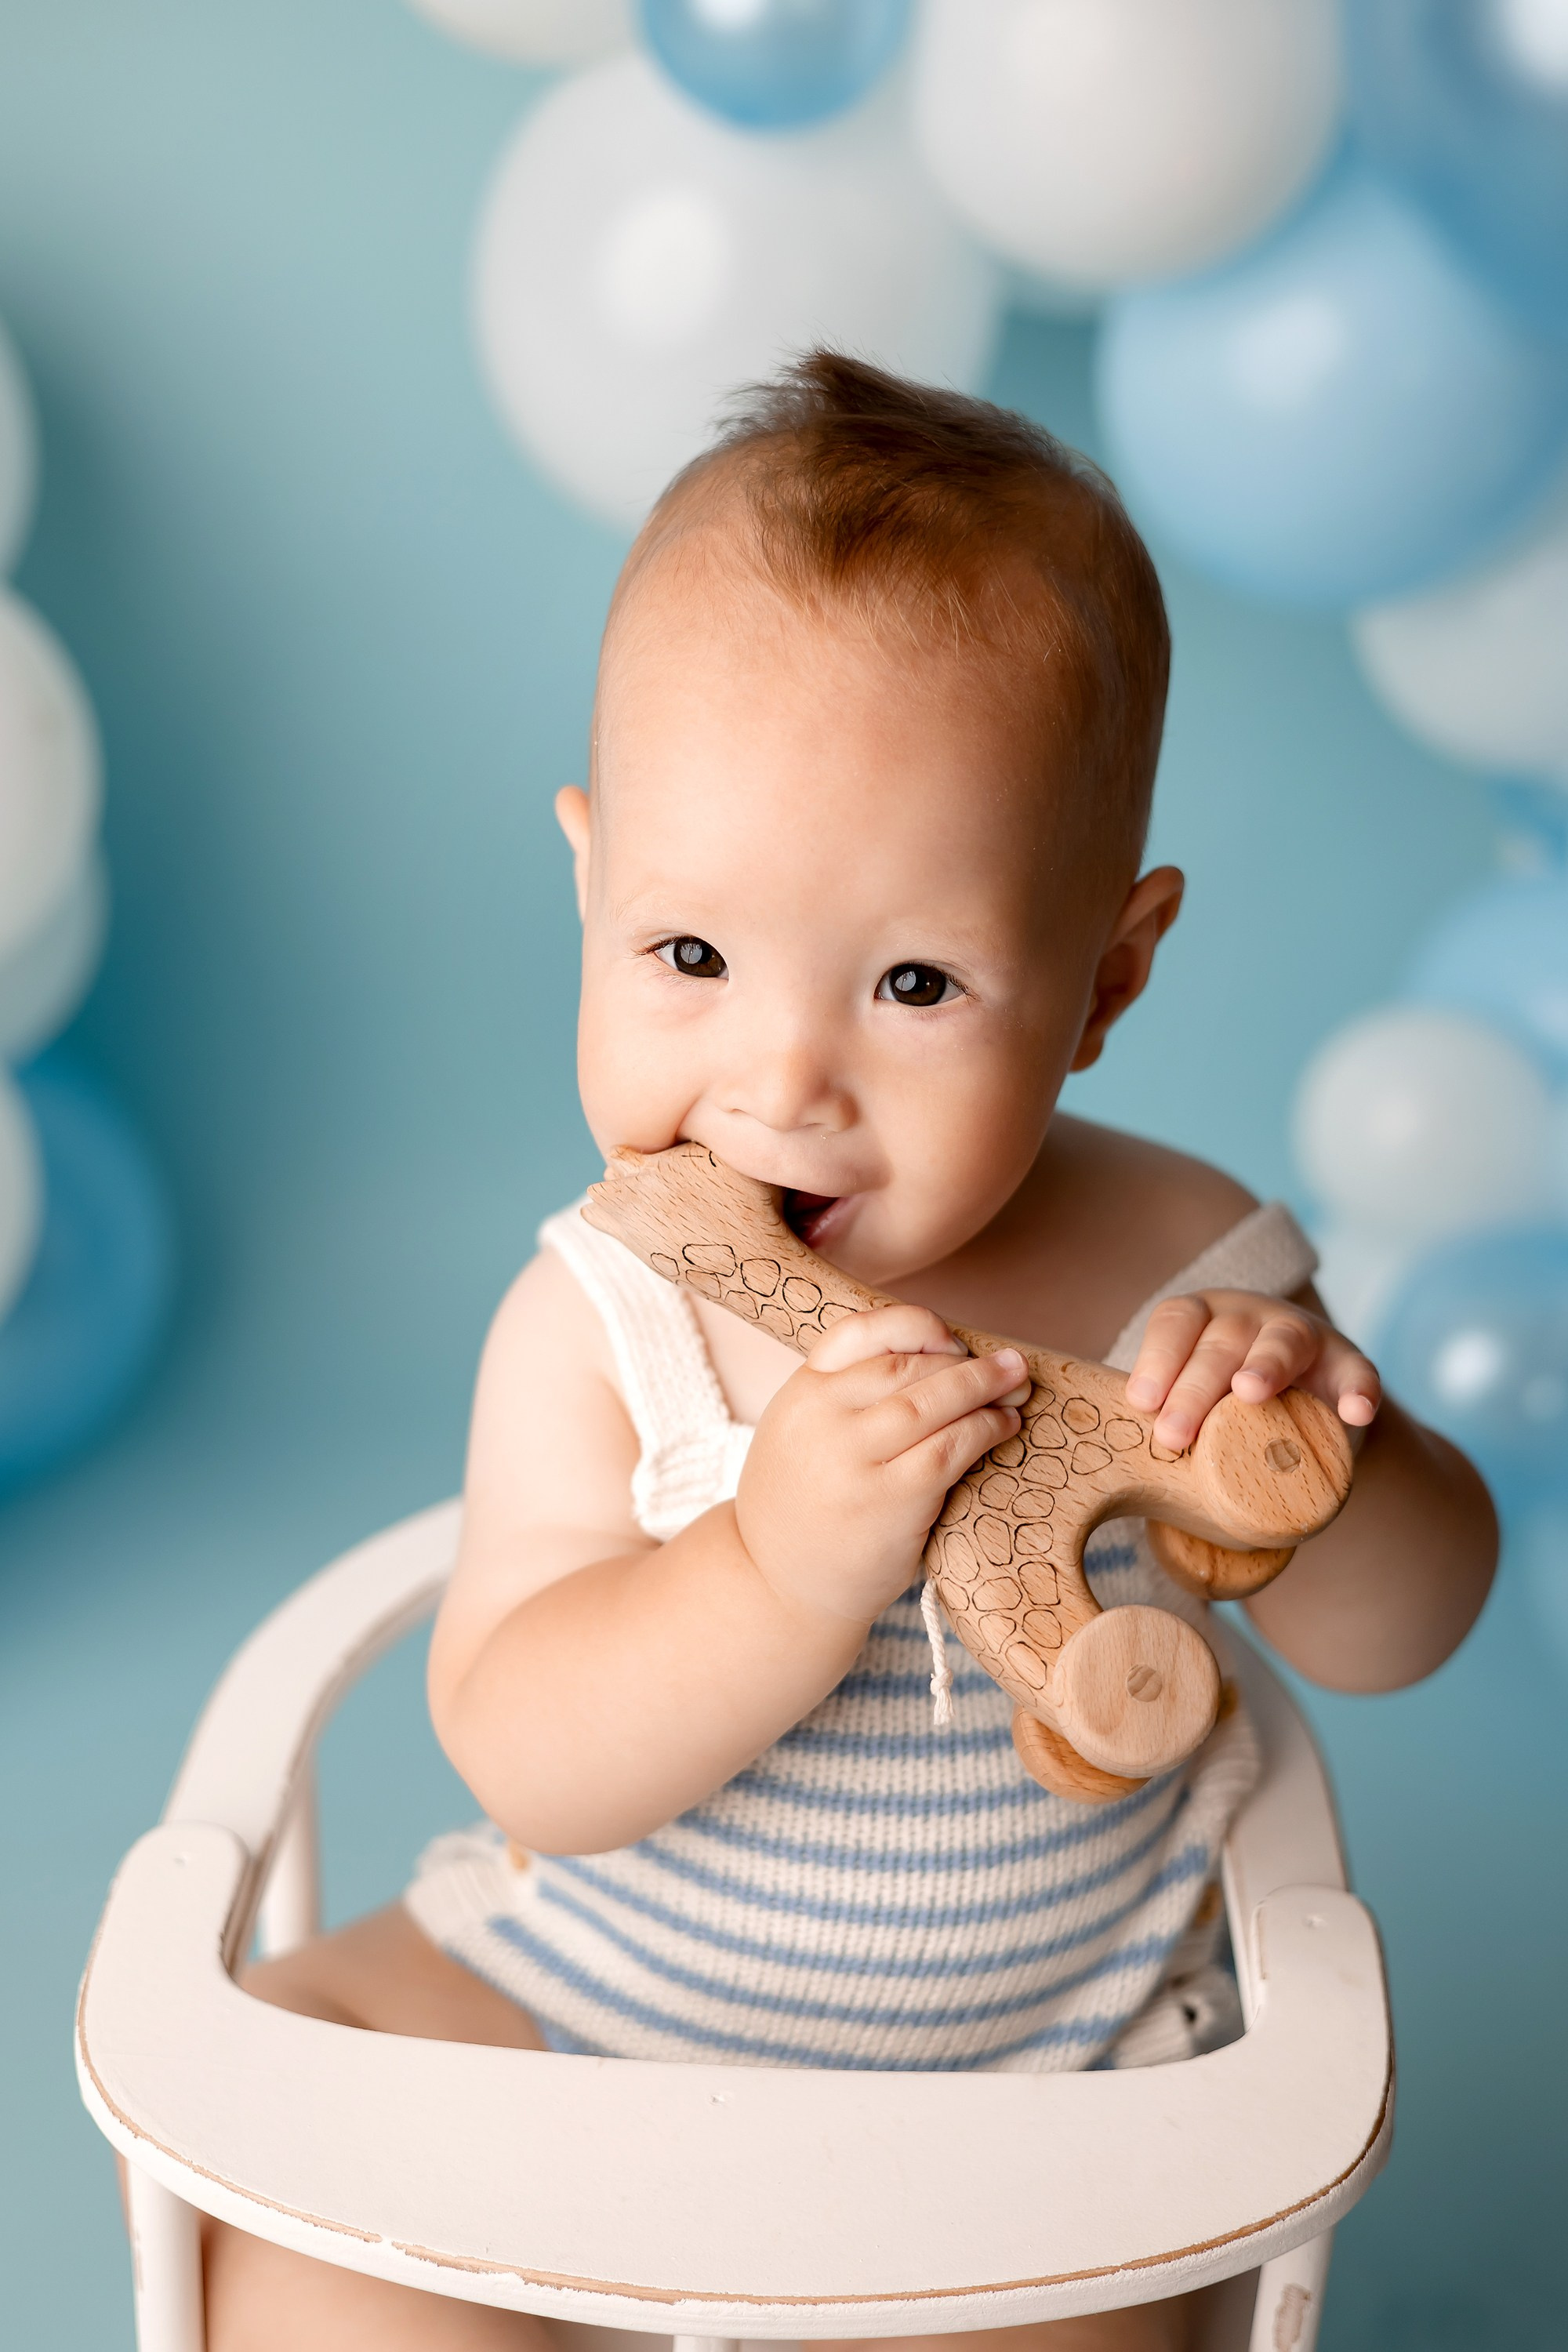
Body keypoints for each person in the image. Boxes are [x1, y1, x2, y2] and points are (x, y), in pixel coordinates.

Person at [209, 354, 1496, 2350]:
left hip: (1032, 2109)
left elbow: (1397, 1630)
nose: (781, 1078)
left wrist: (1332, 1442)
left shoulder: (1192, 1266)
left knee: (1119, 2302)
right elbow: (531, 1757)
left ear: (1104, 978)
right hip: (589, 2008)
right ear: (587, 880)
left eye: (912, 981)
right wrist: (773, 1565)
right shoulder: (602, 1314)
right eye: (690, 956)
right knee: (296, 2231)